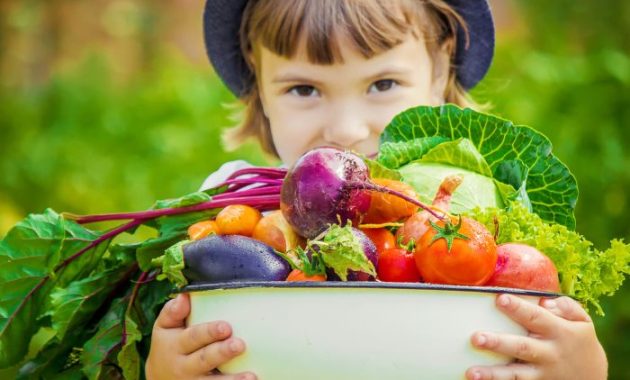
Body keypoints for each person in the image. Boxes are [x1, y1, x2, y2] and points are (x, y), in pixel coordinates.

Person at [145, 1, 608, 379]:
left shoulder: (488, 218)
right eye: (304, 89)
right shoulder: (228, 207)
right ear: (258, 80)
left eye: (382, 83)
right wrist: (168, 369)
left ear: (441, 65)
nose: (346, 130)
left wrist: (582, 371)